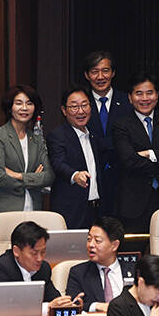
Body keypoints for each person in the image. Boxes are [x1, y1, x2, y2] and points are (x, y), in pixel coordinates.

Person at [112, 71, 159, 233]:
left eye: (149, 93)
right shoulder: (121, 125)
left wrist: (149, 154)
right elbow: (129, 161)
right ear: (130, 98)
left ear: (157, 95)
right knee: (136, 252)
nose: (145, 98)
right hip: (134, 202)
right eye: (139, 93)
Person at [0, 221, 84, 315]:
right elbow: (7, 309)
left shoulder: (43, 268)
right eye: (34, 253)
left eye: (43, 252)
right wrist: (47, 307)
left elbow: (54, 300)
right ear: (16, 251)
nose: (39, 258)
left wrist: (69, 304)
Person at [0, 85, 54, 221]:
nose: (24, 108)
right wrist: (34, 179)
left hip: (33, 210)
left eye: (29, 103)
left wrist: (18, 175)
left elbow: (49, 176)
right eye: (18, 103)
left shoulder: (37, 140)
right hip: (3, 212)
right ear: (10, 108)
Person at [83, 51, 132, 216]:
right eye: (94, 71)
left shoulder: (128, 102)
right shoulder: (80, 104)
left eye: (105, 71)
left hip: (124, 181)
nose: (100, 76)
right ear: (87, 75)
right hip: (91, 181)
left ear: (113, 73)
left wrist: (99, 142)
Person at [47, 85, 102, 229]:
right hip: (72, 210)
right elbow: (58, 163)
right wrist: (75, 175)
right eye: (74, 107)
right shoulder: (57, 136)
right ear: (64, 110)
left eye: (84, 105)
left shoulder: (94, 135)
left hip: (96, 209)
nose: (81, 111)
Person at [65, 216, 134, 312]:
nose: (91, 245)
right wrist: (97, 306)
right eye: (89, 239)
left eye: (97, 241)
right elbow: (71, 305)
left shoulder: (134, 270)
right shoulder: (78, 273)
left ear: (114, 245)